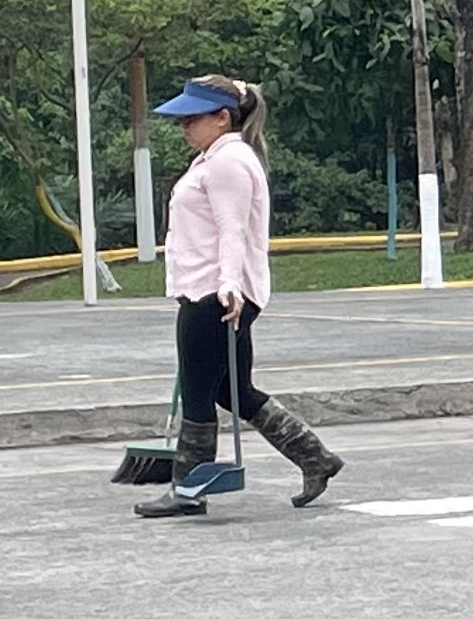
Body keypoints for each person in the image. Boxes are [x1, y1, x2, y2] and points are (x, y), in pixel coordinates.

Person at [137, 75, 345, 519]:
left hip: (215, 293)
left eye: (192, 119)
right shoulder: (216, 158)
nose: (184, 127)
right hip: (213, 288)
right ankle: (315, 457)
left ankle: (188, 490)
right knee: (233, 390)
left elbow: (232, 230)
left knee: (198, 392)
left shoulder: (228, 162)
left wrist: (228, 286)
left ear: (222, 118)